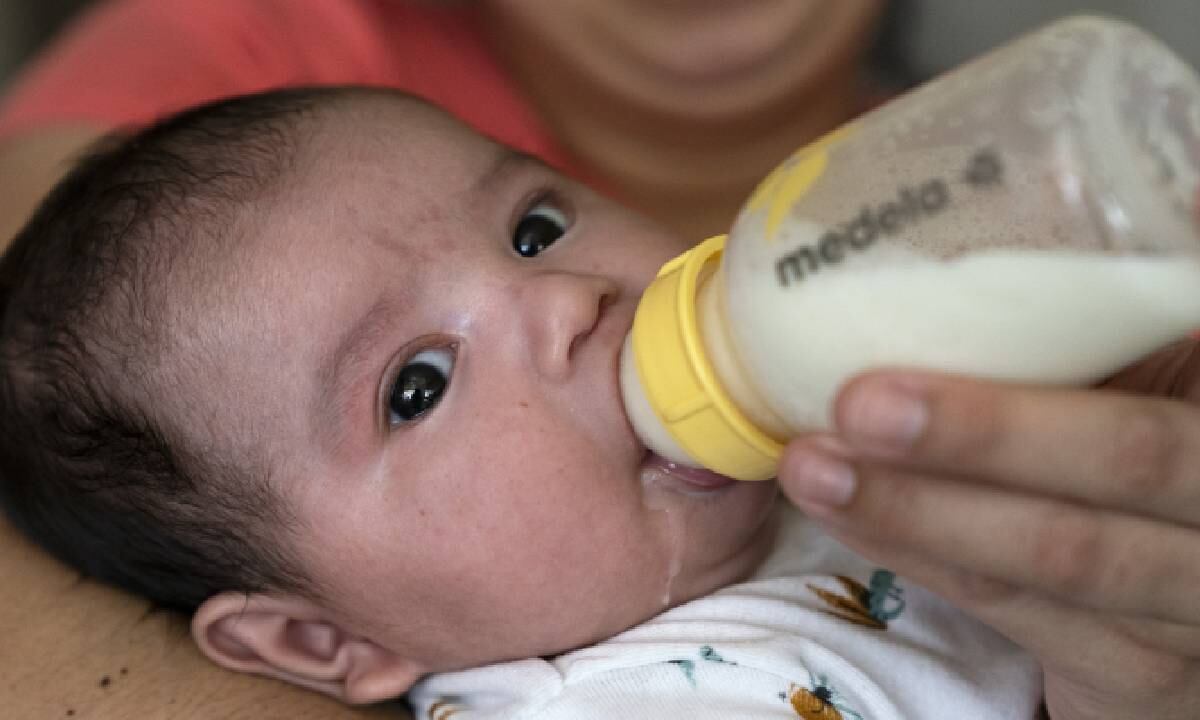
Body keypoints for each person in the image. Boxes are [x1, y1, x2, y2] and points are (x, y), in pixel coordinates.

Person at [0, 1, 1197, 718]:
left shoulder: (853, 429)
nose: (568, 301)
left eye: (536, 227)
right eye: (415, 386)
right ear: (325, 644)